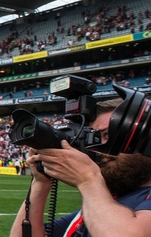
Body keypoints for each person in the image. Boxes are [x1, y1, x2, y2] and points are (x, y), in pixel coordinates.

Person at [9, 98, 151, 237]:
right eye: (94, 137)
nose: (98, 149)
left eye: (107, 134)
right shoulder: (105, 203)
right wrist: (41, 182)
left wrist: (88, 179)